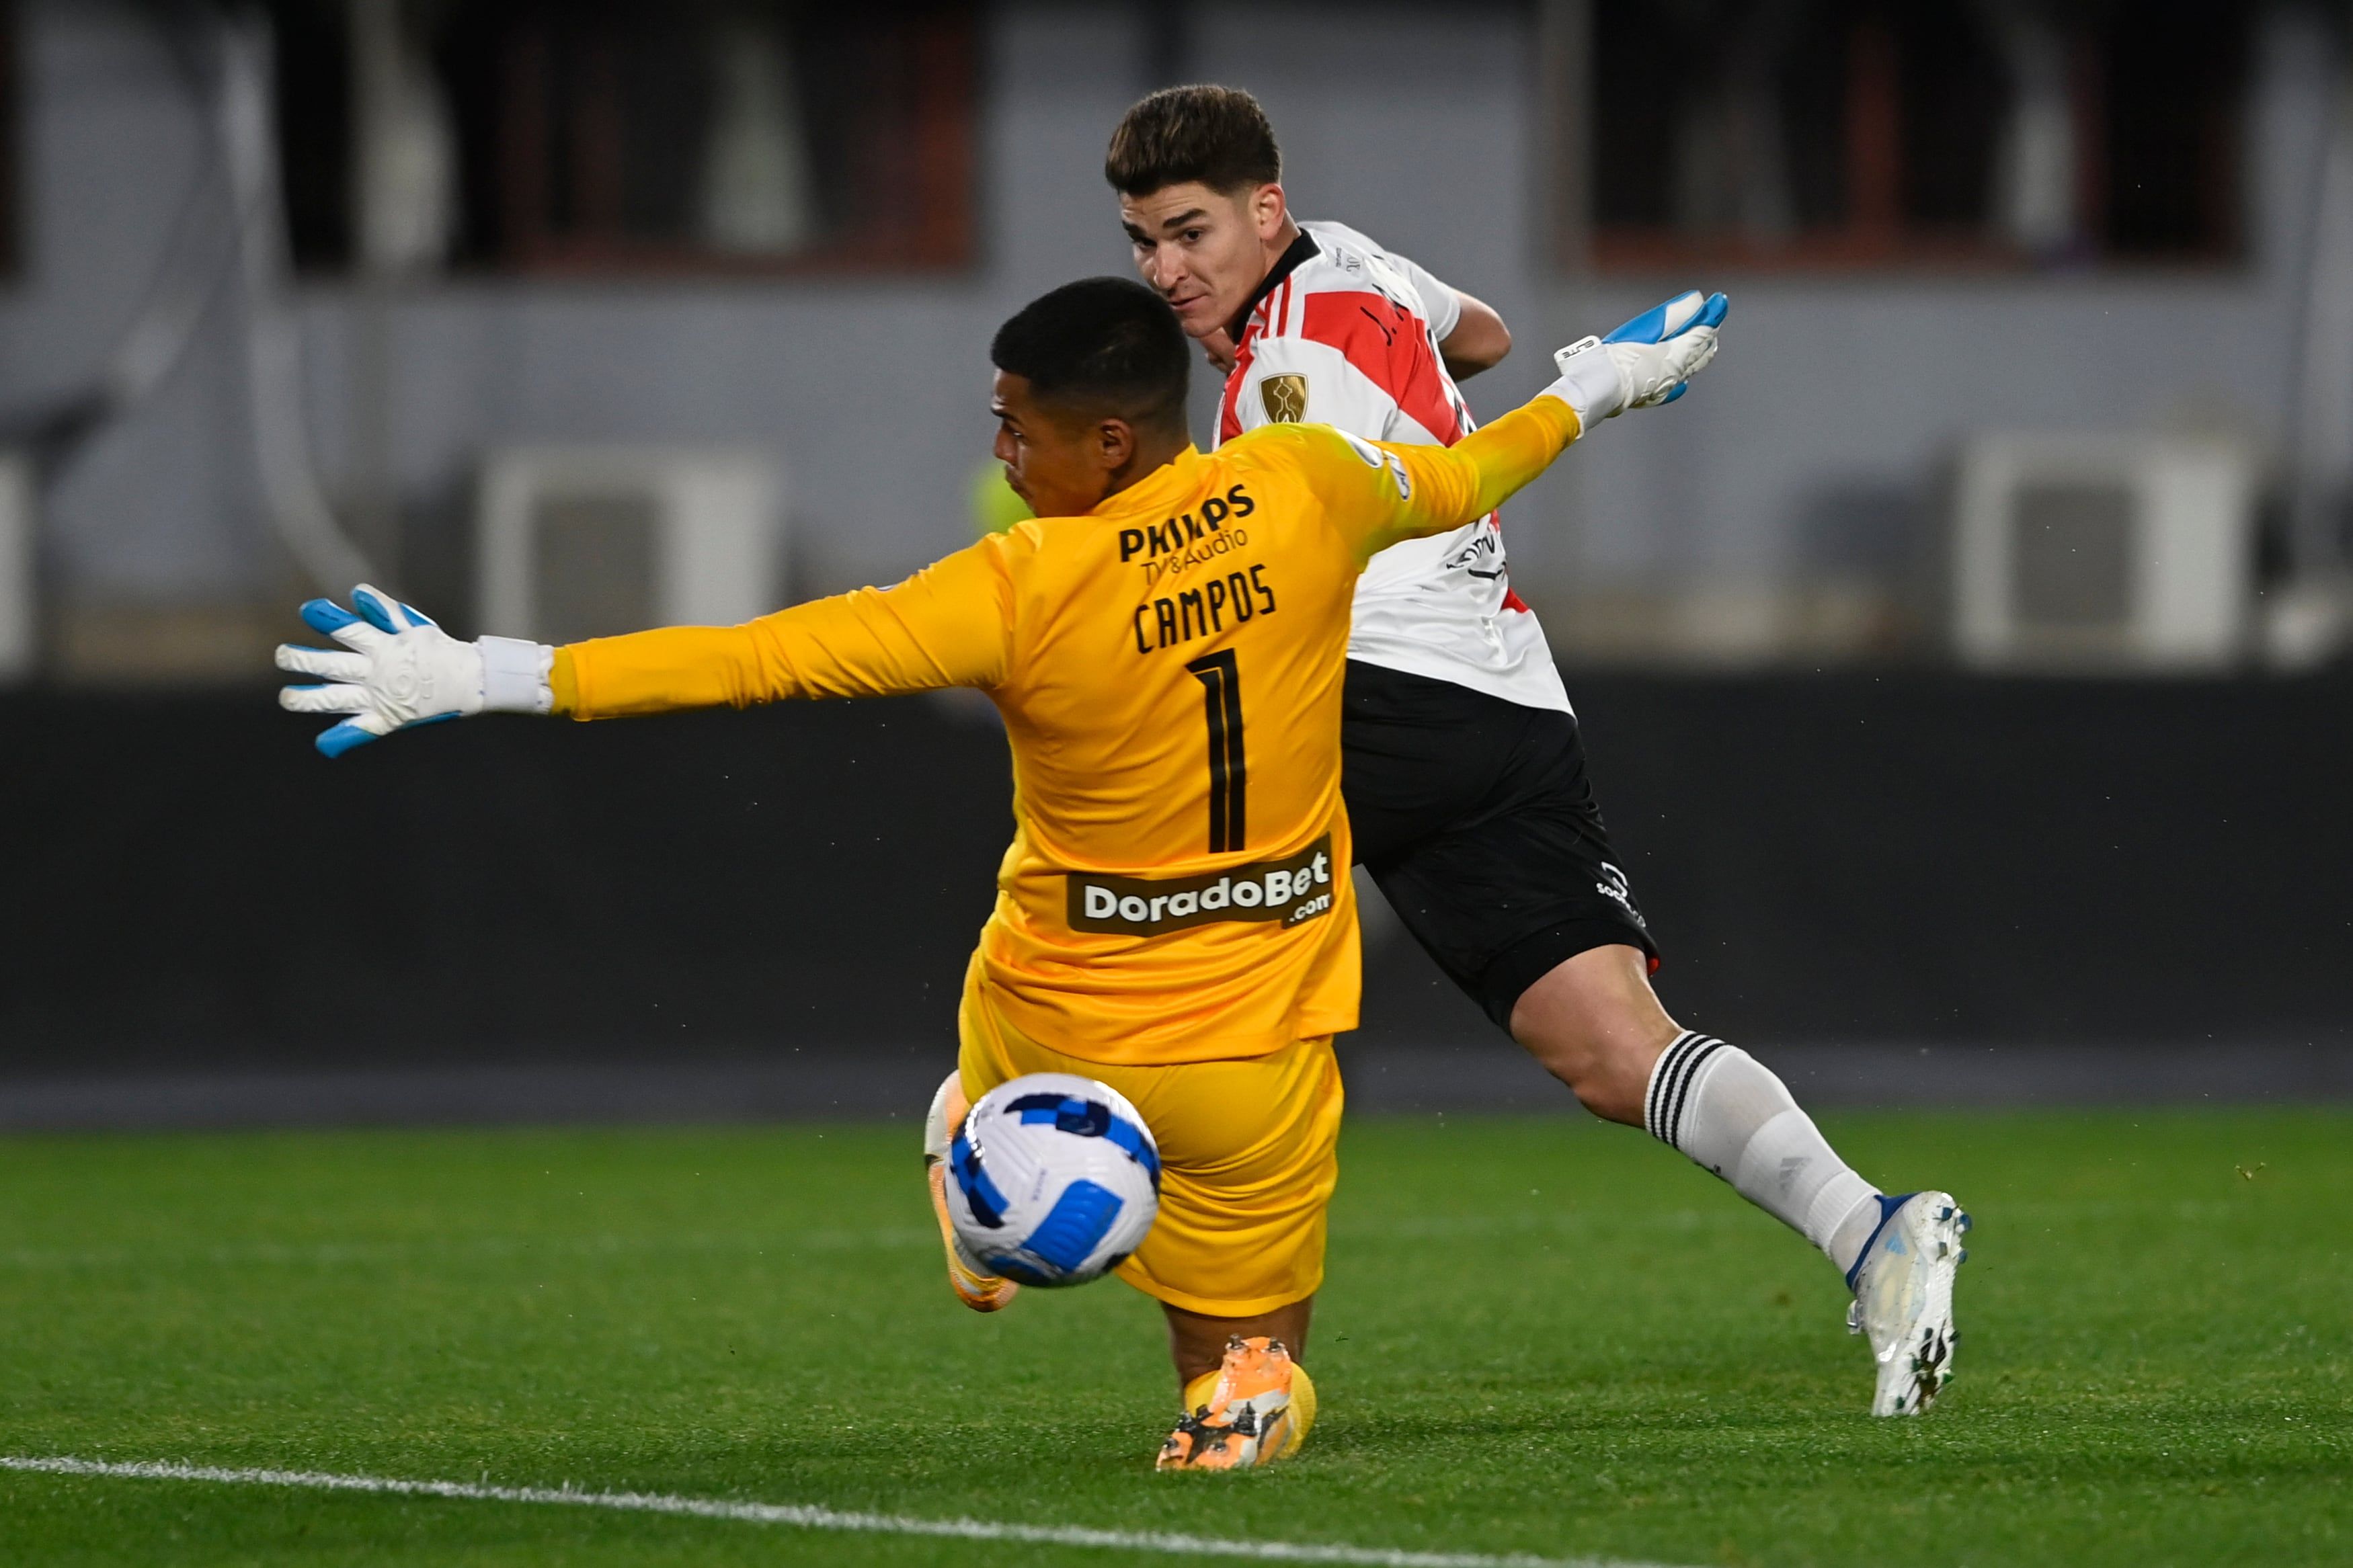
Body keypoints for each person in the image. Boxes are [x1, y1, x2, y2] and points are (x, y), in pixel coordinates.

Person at [275, 274, 1724, 1469]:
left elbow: (751, 660)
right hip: (1257, 1037)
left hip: (1052, 1012)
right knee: (1242, 1358)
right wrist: (1605, 384)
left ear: (1106, 443)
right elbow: (1478, 466)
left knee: (981, 1059)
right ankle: (1243, 1397)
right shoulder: (1309, 485)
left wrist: (482, 671)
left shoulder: (1019, 588)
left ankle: (982, 1177)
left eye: (1015, 429)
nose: (1002, 455)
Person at [1103, 85, 1966, 1419]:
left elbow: (1282, 559)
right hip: (1500, 705)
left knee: (1176, 970)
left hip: (1360, 694)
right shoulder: (1351, 260)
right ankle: (1875, 1234)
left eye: (1189, 232)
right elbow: (1484, 335)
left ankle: (1209, 1351)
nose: (1165, 270)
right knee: (1614, 1052)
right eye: (1143, 241)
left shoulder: (1288, 369)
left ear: (1261, 211)